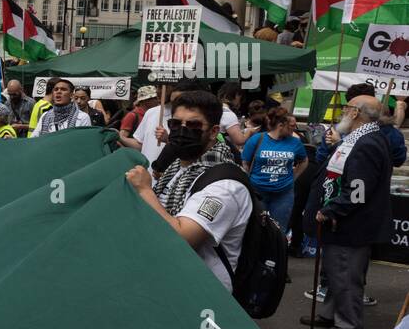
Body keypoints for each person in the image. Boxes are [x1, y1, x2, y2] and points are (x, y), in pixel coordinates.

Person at [125, 90, 253, 292]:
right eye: (176, 124)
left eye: (193, 125)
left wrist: (144, 190)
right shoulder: (177, 167)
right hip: (168, 280)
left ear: (213, 131)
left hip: (200, 292)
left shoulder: (225, 186)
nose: (182, 131)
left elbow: (182, 238)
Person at [300, 95, 393, 329]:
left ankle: (349, 323)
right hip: (343, 222)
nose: (342, 112)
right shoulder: (359, 139)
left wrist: (332, 210)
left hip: (351, 224)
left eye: (346, 108)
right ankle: (331, 313)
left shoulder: (367, 143)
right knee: (335, 271)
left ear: (355, 113)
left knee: (346, 273)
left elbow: (359, 190)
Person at [241, 107, 307, 231]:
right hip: (258, 192)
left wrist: (293, 178)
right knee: (255, 229)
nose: (295, 129)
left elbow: (304, 161)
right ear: (281, 125)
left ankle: (275, 251)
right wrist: (250, 180)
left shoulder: (295, 142)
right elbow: (245, 162)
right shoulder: (257, 139)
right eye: (291, 126)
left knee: (278, 230)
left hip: (283, 194)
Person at [117, 85, 158, 151]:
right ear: (146, 100)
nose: (157, 100)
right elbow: (121, 138)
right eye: (154, 98)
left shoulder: (153, 114)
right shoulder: (132, 115)